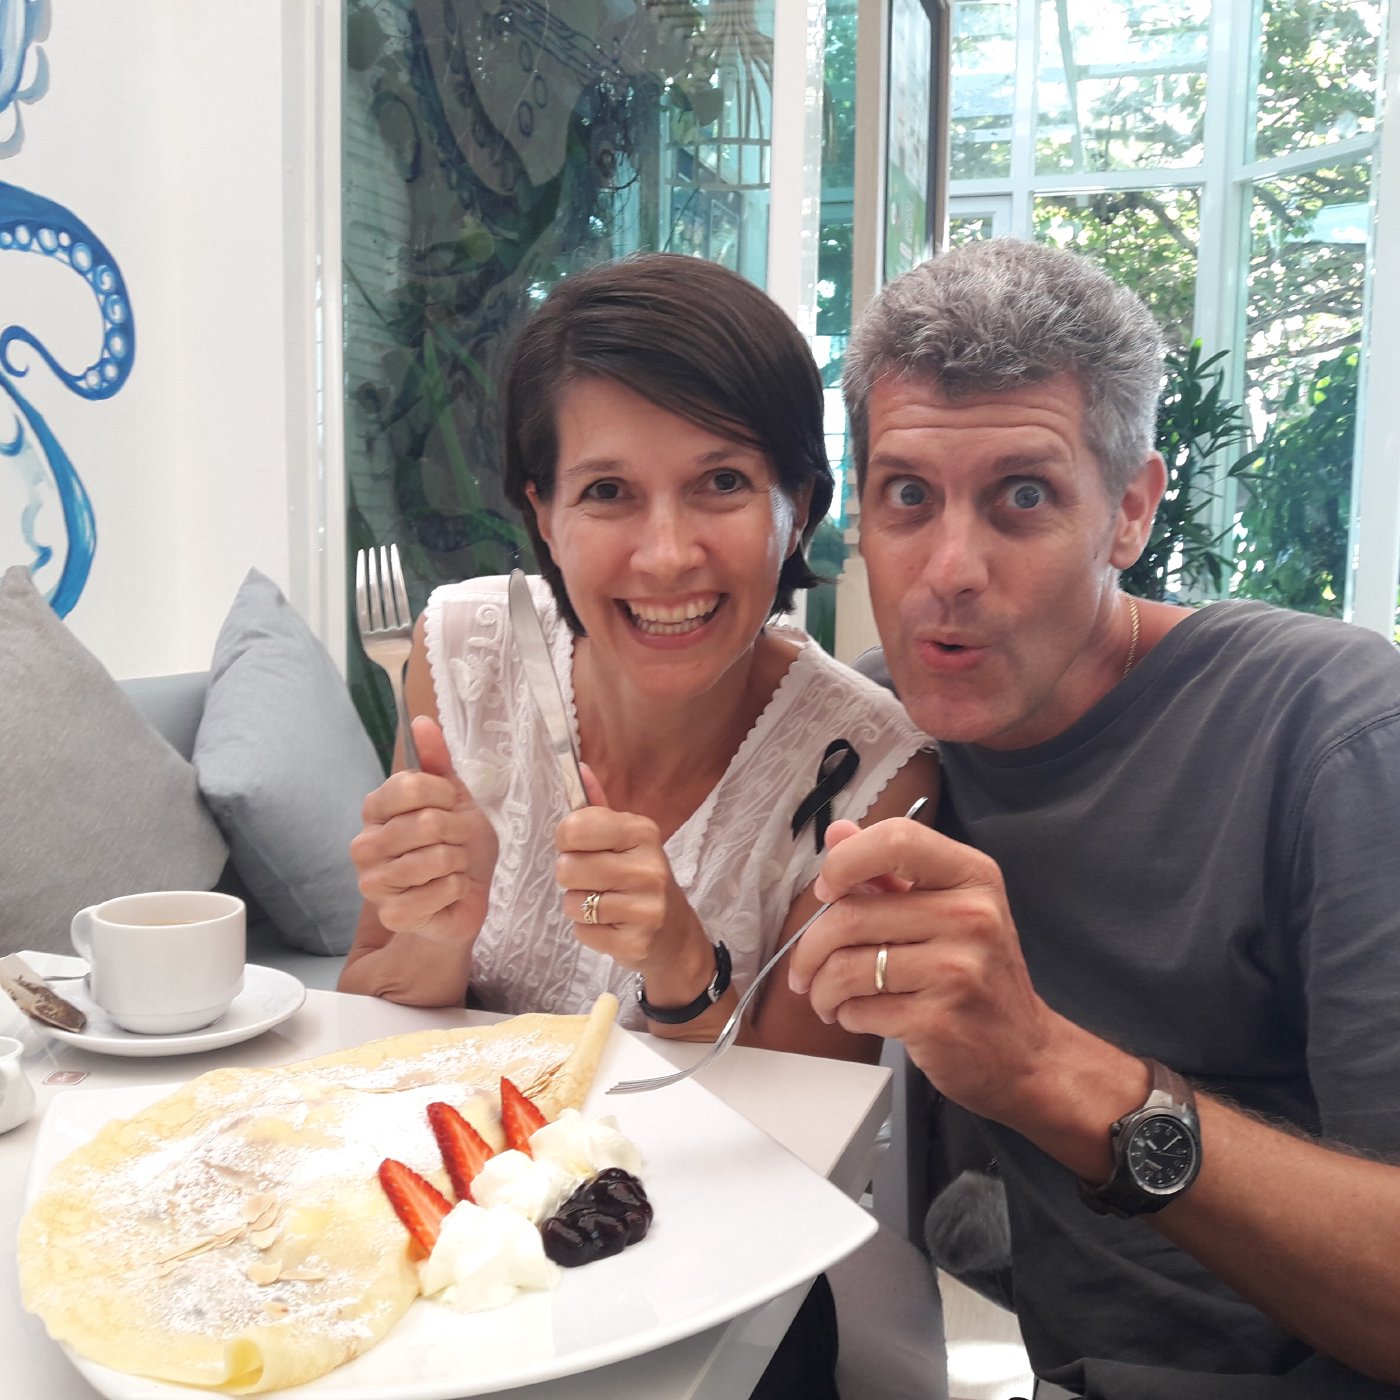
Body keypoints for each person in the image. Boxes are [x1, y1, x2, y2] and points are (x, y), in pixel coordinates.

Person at [788, 237, 1400, 1398]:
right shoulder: (876, 739)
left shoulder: (1332, 731)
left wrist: (1042, 1067)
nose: (948, 569)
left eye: (1021, 496)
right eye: (907, 495)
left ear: (1128, 510)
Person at [340, 251, 935, 1073]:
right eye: (607, 491)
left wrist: (681, 961)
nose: (665, 556)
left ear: (797, 509)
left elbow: (809, 1122)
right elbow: (361, 1018)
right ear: (543, 516)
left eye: (721, 481)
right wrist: (437, 938)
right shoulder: (459, 652)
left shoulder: (873, 775)